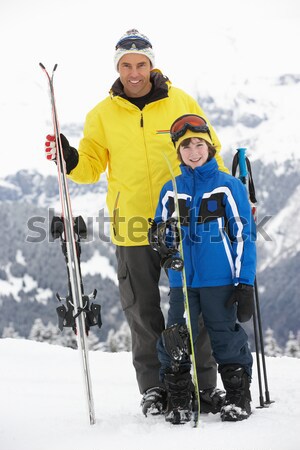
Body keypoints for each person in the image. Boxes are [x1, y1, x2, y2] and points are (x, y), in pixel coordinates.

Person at [44, 29, 229, 416]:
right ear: (118, 67)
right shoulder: (102, 113)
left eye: (140, 64)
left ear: (151, 64)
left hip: (183, 222)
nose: (134, 72)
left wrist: (223, 202)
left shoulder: (181, 103)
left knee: (196, 306)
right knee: (142, 312)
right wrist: (70, 158)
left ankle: (204, 386)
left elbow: (209, 154)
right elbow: (91, 167)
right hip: (131, 226)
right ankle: (155, 388)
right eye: (126, 65)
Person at [149, 114, 256, 424]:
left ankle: (237, 397)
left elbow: (243, 235)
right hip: (182, 280)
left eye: (199, 144)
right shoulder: (172, 188)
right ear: (178, 151)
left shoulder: (227, 186)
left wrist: (244, 281)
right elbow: (161, 229)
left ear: (210, 147)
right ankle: (180, 399)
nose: (193, 152)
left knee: (224, 336)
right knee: (175, 337)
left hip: (219, 279)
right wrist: (161, 236)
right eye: (186, 146)